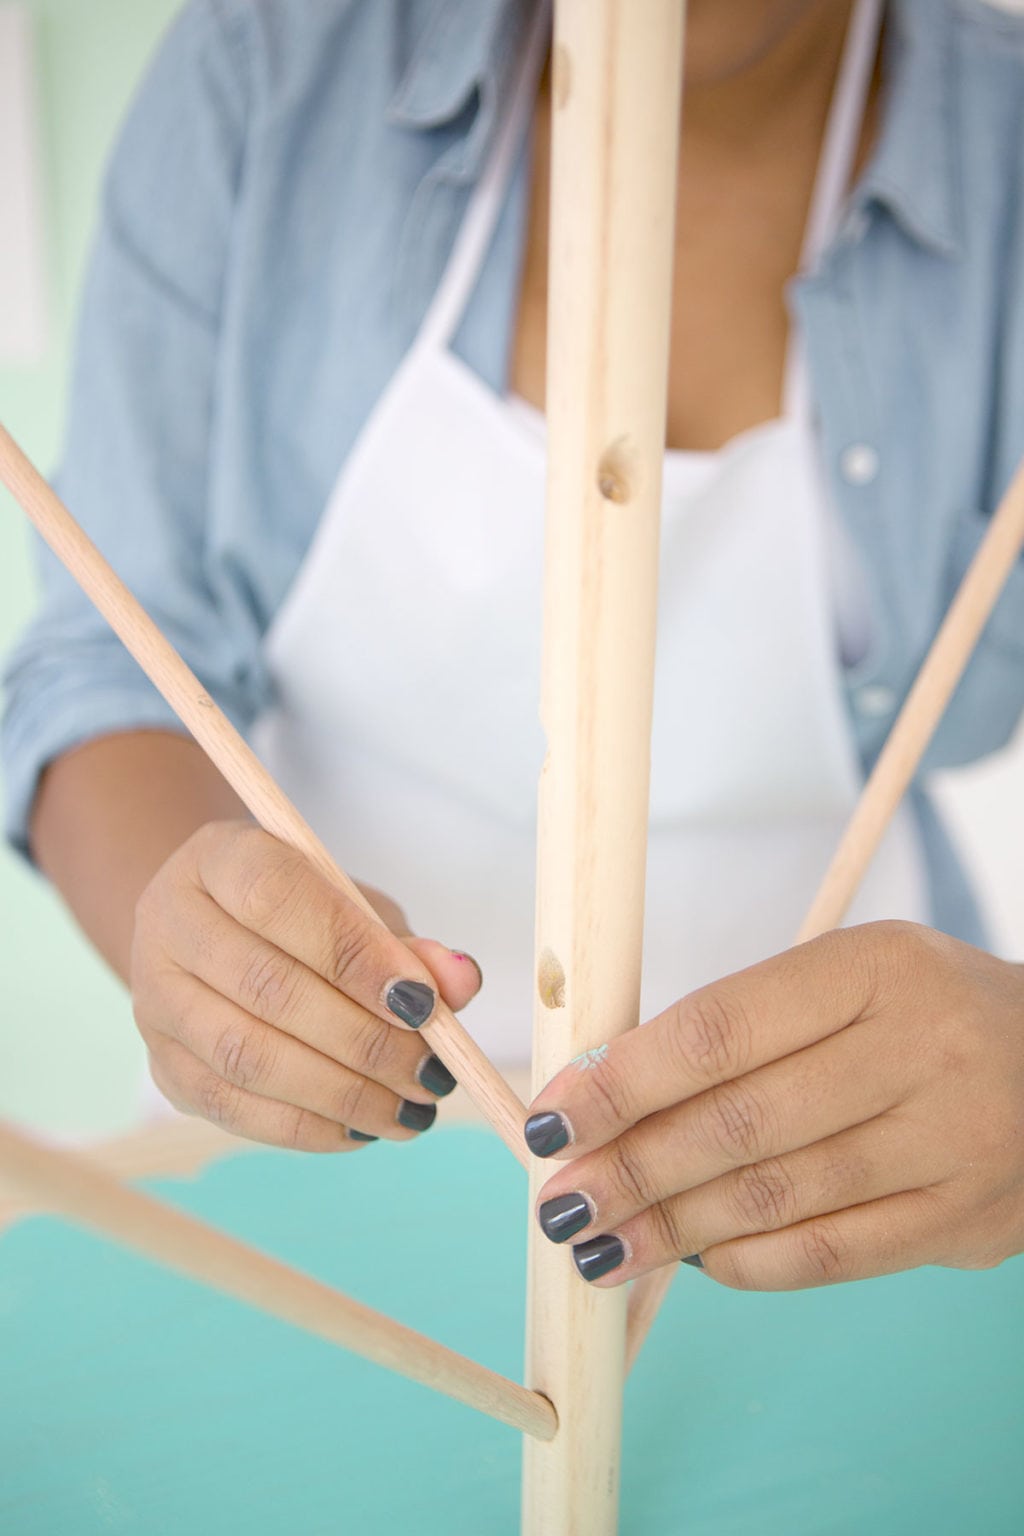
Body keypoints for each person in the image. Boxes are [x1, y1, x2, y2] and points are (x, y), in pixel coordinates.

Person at [4, 0, 1024, 1305]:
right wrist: (198, 935)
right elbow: (107, 650)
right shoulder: (273, 56)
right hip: (301, 1181)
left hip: (862, 1201)